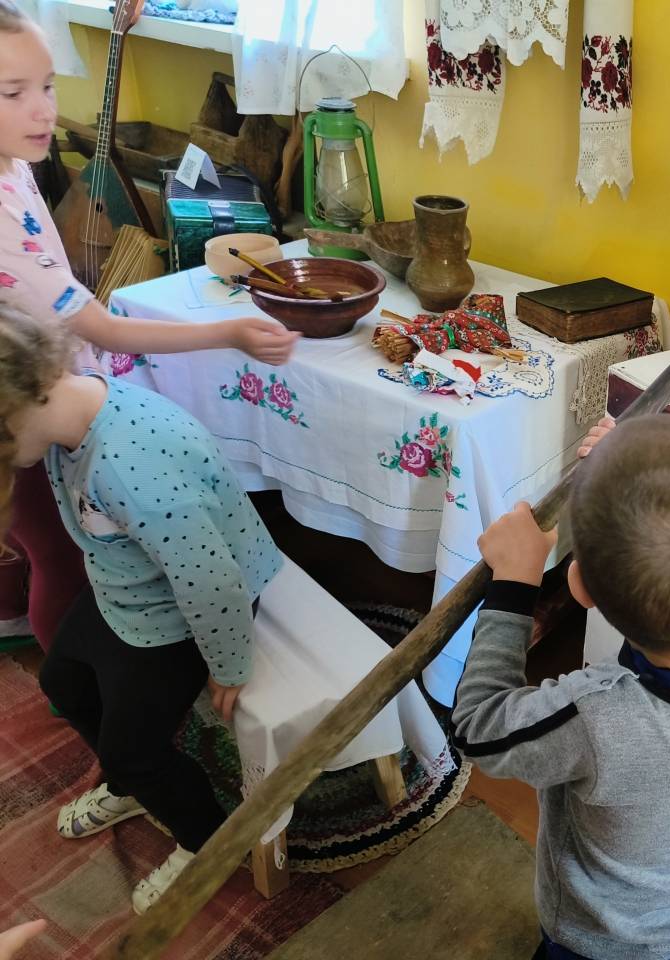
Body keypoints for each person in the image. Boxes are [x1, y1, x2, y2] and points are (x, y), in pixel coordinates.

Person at [0, 0, 298, 651]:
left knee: (46, 542)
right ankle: (72, 673)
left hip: (38, 395)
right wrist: (229, 332)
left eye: (47, 86)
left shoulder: (13, 165)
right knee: (62, 559)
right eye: (13, 93)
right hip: (27, 415)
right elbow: (105, 329)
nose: (44, 111)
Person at [453, 414, 670, 960]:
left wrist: (515, 585)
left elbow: (478, 729)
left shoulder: (598, 719)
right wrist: (630, 470)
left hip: (611, 944)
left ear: (580, 587)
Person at [0, 307, 283, 914]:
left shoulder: (133, 467)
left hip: (187, 613)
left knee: (133, 751)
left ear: (20, 405)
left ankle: (205, 839)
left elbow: (212, 584)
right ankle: (131, 785)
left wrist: (229, 665)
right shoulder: (69, 414)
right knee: (64, 682)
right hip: (129, 587)